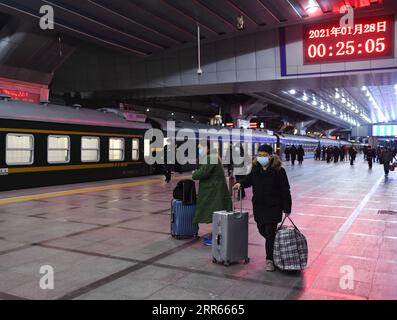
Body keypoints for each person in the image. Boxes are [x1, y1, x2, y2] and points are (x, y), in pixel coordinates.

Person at [233, 144, 292, 272]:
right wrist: (239, 183)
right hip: (259, 207)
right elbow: (248, 180)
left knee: (270, 232)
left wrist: (287, 208)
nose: (261, 157)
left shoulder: (279, 171)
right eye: (259, 155)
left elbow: (285, 190)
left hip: (273, 206)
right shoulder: (256, 169)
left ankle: (270, 260)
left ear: (271, 156)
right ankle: (277, 246)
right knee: (261, 230)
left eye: (264, 155)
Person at [192, 142, 232, 246]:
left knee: (216, 214)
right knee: (216, 214)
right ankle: (216, 236)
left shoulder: (210, 158)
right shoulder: (212, 157)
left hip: (214, 192)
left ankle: (216, 238)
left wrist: (194, 173)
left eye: (200, 148)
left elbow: (202, 173)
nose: (199, 150)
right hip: (214, 190)